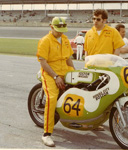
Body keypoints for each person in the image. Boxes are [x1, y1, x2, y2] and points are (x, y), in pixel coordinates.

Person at [36, 17, 75, 147]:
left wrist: (75, 73)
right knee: (52, 98)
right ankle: (47, 134)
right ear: (51, 27)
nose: (61, 33)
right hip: (50, 73)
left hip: (65, 70)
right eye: (58, 30)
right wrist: (55, 76)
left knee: (82, 87)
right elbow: (43, 62)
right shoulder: (45, 41)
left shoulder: (64, 39)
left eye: (62, 30)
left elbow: (68, 58)